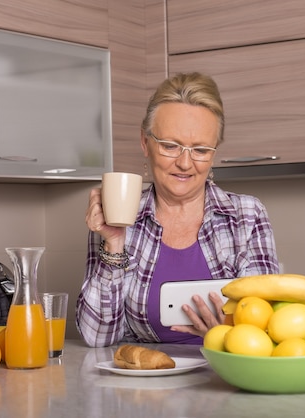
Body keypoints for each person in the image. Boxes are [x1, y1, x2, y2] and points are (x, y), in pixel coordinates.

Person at [76, 72, 280, 347]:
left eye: (200, 150)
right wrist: (113, 242)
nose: (185, 163)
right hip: (144, 382)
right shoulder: (119, 215)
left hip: (226, 374)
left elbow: (267, 327)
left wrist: (228, 331)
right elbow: (98, 337)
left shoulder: (247, 215)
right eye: (170, 146)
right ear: (144, 142)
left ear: (215, 152)